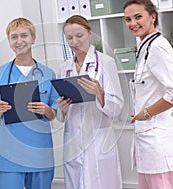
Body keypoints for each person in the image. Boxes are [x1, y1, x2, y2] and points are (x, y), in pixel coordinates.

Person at [0, 17, 59, 189]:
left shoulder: (48, 74)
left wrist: (47, 109)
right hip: (9, 154)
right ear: (9, 41)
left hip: (39, 152)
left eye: (24, 35)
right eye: (14, 37)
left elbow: (53, 113)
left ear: (33, 38)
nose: (19, 41)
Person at [123, 0, 173, 188]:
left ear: (152, 17)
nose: (132, 23)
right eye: (128, 19)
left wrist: (147, 113)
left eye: (138, 16)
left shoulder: (157, 47)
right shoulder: (145, 46)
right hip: (146, 137)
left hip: (157, 138)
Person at [56, 15, 124, 189]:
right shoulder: (64, 68)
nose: (75, 42)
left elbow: (117, 106)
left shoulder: (105, 63)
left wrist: (99, 93)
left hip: (98, 140)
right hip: (73, 141)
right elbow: (61, 117)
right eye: (69, 38)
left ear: (90, 33)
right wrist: (62, 109)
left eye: (79, 36)